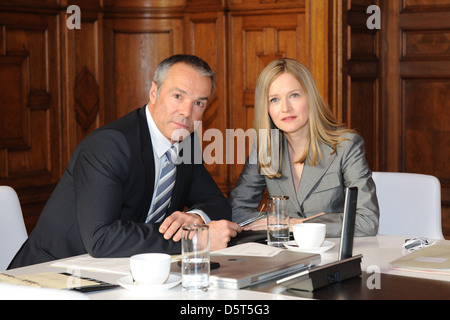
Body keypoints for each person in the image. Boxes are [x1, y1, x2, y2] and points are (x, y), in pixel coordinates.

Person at [9, 54, 241, 269]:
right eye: (178, 96)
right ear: (154, 92)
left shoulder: (185, 141)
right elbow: (102, 238)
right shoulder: (109, 145)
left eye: (199, 103)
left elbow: (217, 204)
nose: (187, 112)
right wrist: (196, 239)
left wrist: (197, 218)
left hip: (120, 271)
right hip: (51, 274)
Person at [229, 58, 379, 237]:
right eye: (274, 100)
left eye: (294, 95)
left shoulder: (346, 145)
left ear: (310, 97)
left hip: (333, 254)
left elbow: (367, 221)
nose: (285, 108)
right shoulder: (266, 148)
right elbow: (237, 211)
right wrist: (281, 222)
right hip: (284, 256)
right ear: (266, 108)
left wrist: (299, 224)